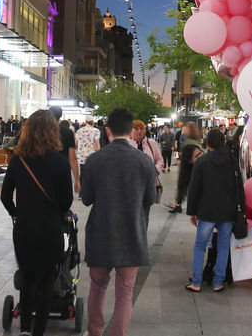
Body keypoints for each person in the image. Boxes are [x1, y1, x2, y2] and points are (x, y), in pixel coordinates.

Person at [80, 108, 157, 336]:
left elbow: (86, 199)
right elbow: (150, 199)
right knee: (125, 293)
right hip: (131, 234)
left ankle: (95, 331)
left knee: (98, 287)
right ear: (130, 130)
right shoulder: (144, 162)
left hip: (100, 233)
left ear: (107, 130)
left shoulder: (95, 160)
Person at [1, 110, 73, 336]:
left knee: (27, 278)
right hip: (50, 228)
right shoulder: (61, 162)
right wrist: (57, 212)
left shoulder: (18, 159)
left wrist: (16, 213)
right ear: (53, 132)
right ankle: (38, 332)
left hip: (24, 228)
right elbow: (67, 200)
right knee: (44, 282)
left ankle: (24, 328)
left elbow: (5, 196)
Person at [185, 128, 242, 293]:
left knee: (200, 246)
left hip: (206, 211)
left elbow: (194, 189)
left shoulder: (202, 162)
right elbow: (239, 187)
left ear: (207, 143)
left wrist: (192, 211)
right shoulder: (232, 161)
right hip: (228, 212)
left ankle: (196, 282)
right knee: (223, 246)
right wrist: (241, 209)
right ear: (223, 142)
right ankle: (218, 282)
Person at [168, 123, 204, 213]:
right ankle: (178, 204)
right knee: (184, 186)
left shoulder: (190, 141)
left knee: (184, 185)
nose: (185, 129)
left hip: (188, 166)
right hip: (191, 166)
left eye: (187, 128)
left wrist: (181, 159)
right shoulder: (194, 140)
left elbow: (189, 153)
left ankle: (179, 205)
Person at [74, 120, 102, 186]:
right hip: (92, 155)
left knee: (82, 173)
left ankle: (81, 192)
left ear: (86, 122)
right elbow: (97, 144)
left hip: (82, 156)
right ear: (92, 122)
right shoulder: (95, 130)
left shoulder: (79, 131)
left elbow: (76, 144)